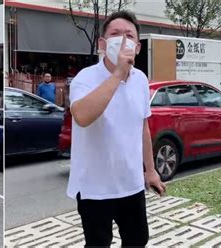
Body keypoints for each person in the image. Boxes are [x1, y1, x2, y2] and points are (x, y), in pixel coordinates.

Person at [68, 11, 166, 247]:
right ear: (102, 43)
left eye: (129, 35)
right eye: (115, 34)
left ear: (138, 47)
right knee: (98, 243)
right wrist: (118, 73)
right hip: (94, 187)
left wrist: (150, 170)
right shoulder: (85, 78)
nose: (123, 40)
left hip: (131, 184)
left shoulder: (141, 80)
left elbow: (142, 126)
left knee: (137, 240)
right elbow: (81, 116)